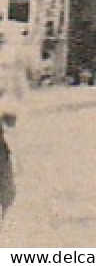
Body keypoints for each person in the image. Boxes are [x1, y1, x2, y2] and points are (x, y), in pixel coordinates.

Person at [0, 27, 38, 227]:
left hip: (7, 116)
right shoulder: (13, 50)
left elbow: (30, 76)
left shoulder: (13, 51)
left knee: (7, 185)